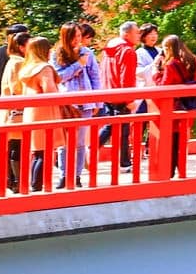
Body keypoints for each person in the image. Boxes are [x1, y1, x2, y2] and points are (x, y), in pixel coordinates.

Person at [55, 25, 103, 189]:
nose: (77, 39)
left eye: (79, 35)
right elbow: (59, 77)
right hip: (67, 103)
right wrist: (77, 65)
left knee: (81, 142)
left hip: (86, 102)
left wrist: (98, 101)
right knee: (64, 142)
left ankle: (76, 175)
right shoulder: (57, 54)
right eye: (73, 36)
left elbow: (95, 77)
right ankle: (63, 175)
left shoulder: (87, 53)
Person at [15, 36, 61, 193]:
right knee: (45, 151)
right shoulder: (44, 68)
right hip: (45, 113)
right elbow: (50, 90)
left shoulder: (27, 68)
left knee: (38, 151)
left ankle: (34, 184)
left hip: (31, 111)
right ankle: (37, 186)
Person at [0, 24, 28, 187]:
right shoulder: (16, 58)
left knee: (6, 138)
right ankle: (10, 178)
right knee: (12, 141)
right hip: (10, 102)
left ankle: (3, 173)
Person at [154, 36, 196, 176]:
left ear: (168, 48)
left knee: (171, 140)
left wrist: (156, 74)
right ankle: (181, 170)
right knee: (181, 139)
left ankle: (168, 171)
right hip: (189, 104)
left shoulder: (171, 65)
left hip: (174, 106)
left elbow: (164, 86)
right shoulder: (193, 62)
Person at [101, 22, 140, 171]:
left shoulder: (109, 49)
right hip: (121, 94)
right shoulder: (127, 51)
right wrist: (130, 99)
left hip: (108, 92)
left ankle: (92, 149)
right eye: (136, 33)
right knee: (123, 130)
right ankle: (124, 163)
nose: (139, 36)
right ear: (126, 34)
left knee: (111, 126)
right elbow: (127, 77)